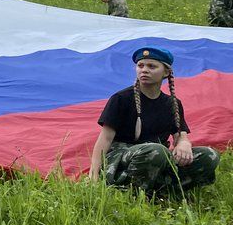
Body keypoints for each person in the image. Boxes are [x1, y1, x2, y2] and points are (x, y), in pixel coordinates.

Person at [89, 46, 219, 195]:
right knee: (156, 150)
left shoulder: (173, 103)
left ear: (166, 72)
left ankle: (164, 192)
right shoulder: (121, 99)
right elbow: (105, 139)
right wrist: (94, 175)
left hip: (158, 155)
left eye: (152, 66)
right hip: (122, 157)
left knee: (209, 155)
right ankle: (130, 193)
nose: (144, 70)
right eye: (140, 66)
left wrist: (184, 144)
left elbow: (181, 135)